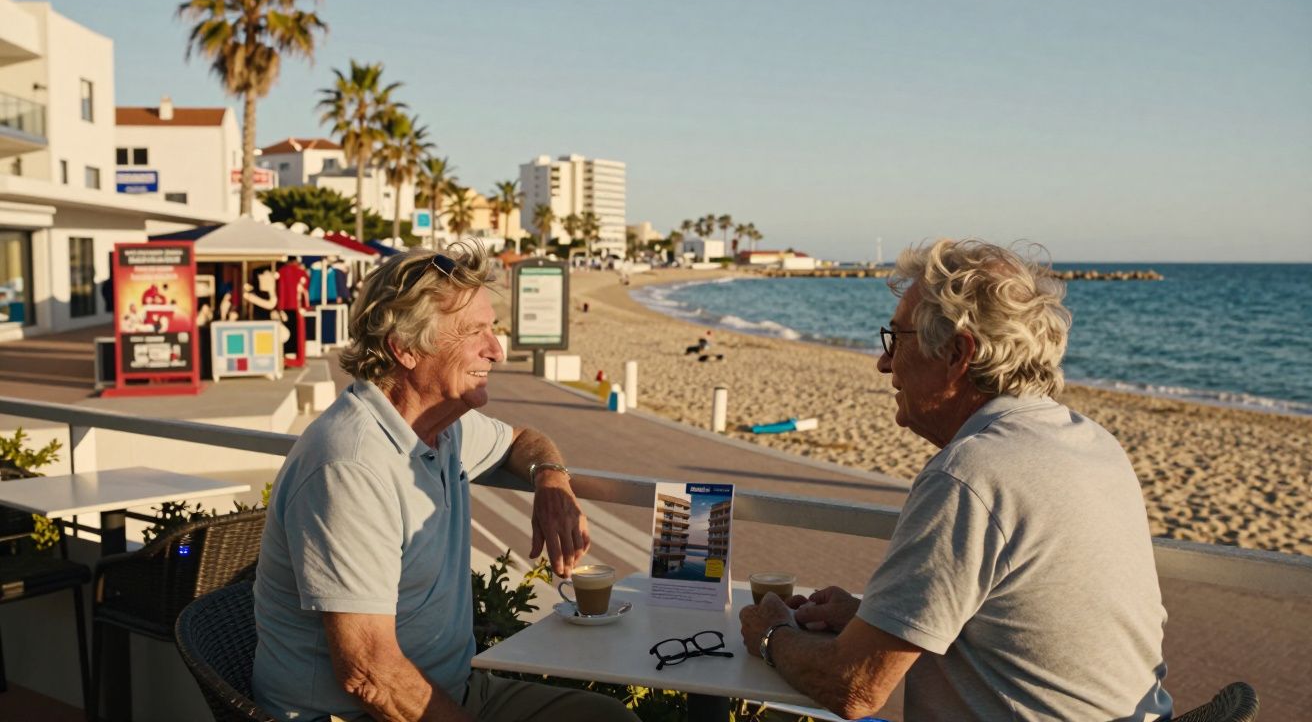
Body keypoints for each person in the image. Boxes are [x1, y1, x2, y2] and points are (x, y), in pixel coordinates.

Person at [739, 239, 1173, 721]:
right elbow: (1023, 621)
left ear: (957, 354)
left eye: (895, 338)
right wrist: (872, 617)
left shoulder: (972, 474)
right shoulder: (1092, 443)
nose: (884, 363)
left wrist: (771, 633)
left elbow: (854, 688)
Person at [253, 243, 636, 722]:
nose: (497, 350)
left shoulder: (440, 426)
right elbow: (369, 674)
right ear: (406, 348)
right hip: (360, 712)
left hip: (450, 688)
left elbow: (524, 439)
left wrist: (551, 482)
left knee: (607, 718)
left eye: (491, 328)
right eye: (475, 332)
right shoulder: (350, 466)